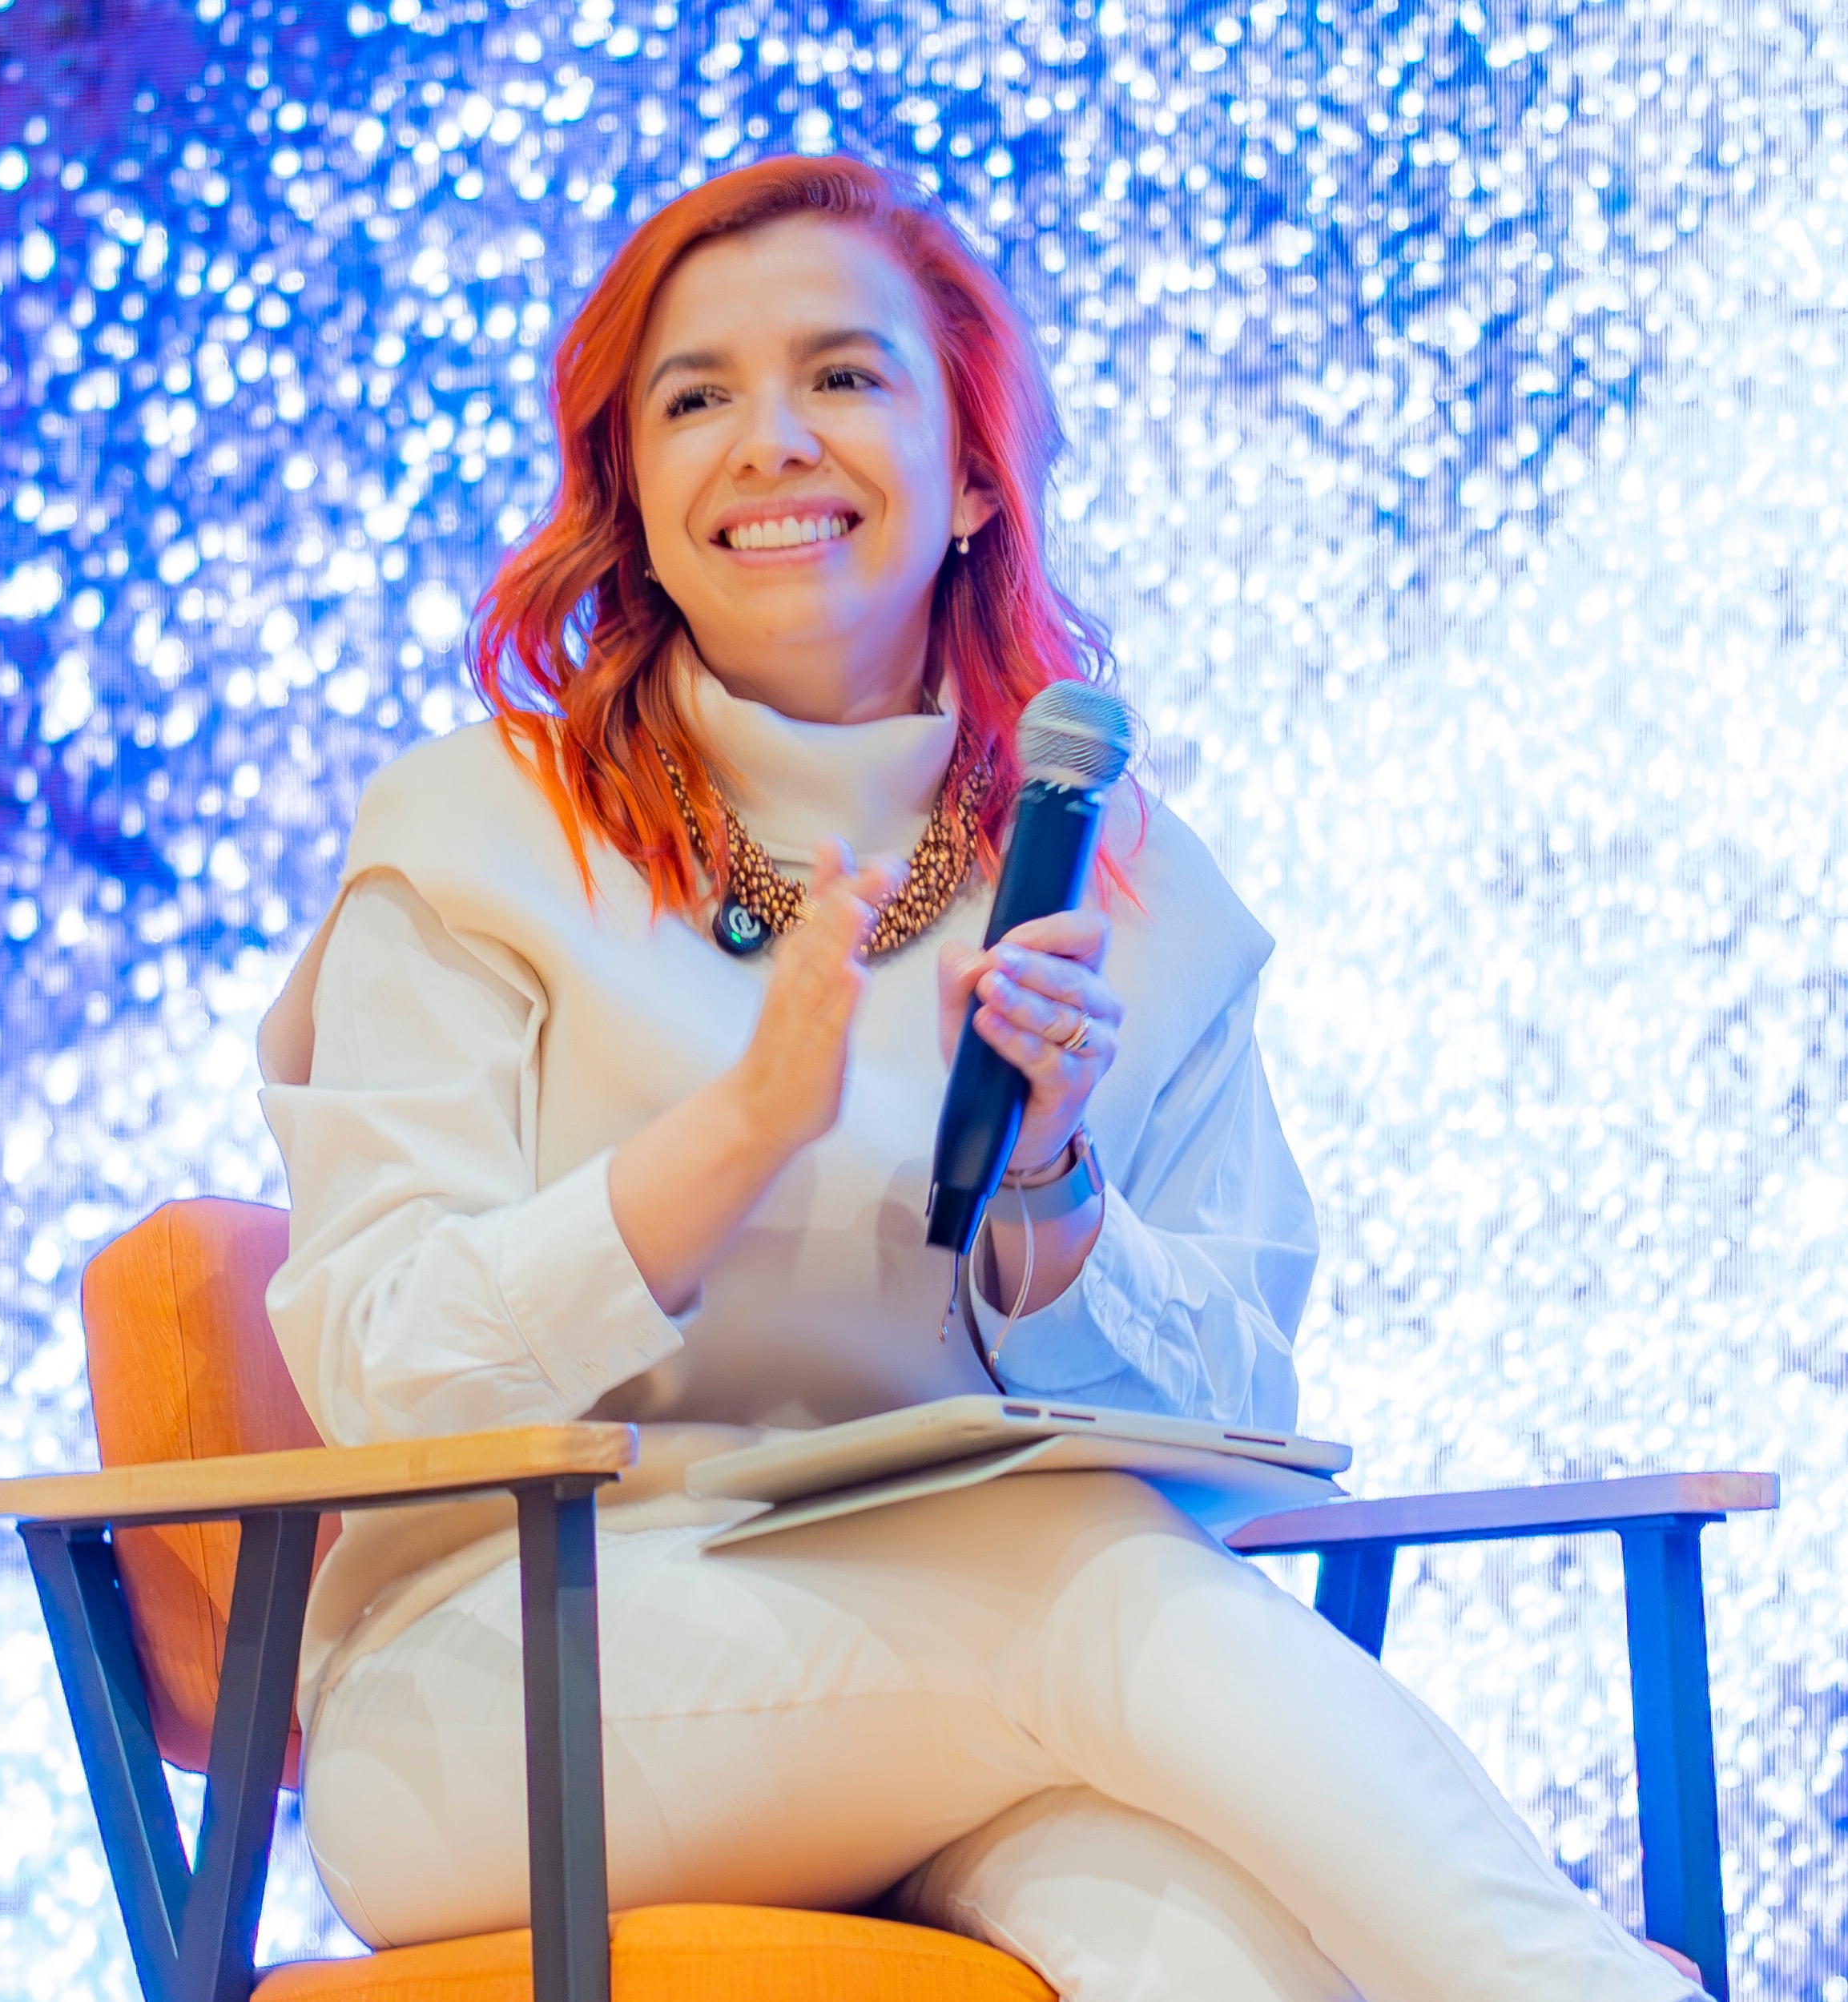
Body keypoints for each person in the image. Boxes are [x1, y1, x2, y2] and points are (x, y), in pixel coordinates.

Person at [256, 155, 1704, 2001]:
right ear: (629, 498)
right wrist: (736, 1132)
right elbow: (378, 1368)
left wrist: (1049, 1192)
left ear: (967, 479)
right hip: (506, 1697)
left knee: (1230, 1951)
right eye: (694, 399)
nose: (770, 438)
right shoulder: (470, 833)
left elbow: (1236, 1406)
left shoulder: (1127, 887)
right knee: (1069, 1564)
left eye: (840, 376)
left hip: (992, 1690)